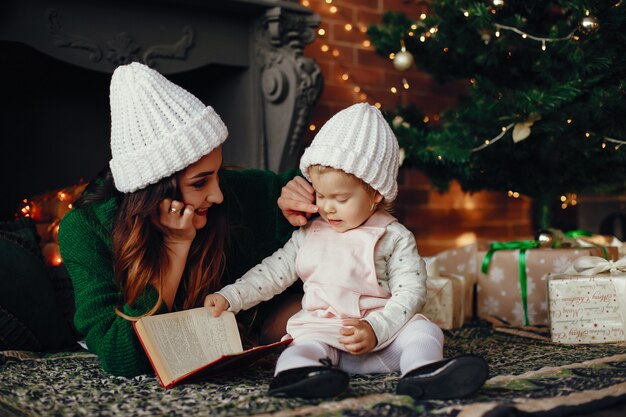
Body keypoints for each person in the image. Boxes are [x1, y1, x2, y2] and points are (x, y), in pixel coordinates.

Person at [205, 103, 489, 400]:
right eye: (321, 195)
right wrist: (230, 297)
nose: (327, 207)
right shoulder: (309, 233)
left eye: (340, 198)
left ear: (375, 192)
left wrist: (375, 328)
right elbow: (272, 273)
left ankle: (423, 372)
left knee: (424, 331)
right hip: (325, 335)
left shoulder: (393, 236)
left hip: (382, 336)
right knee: (299, 346)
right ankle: (301, 376)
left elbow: (411, 292)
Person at [58, 62, 313, 377]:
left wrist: (299, 192)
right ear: (154, 190)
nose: (217, 194)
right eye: (199, 182)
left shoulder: (230, 194)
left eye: (216, 174)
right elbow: (121, 357)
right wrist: (176, 246)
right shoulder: (84, 229)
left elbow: (323, 180)